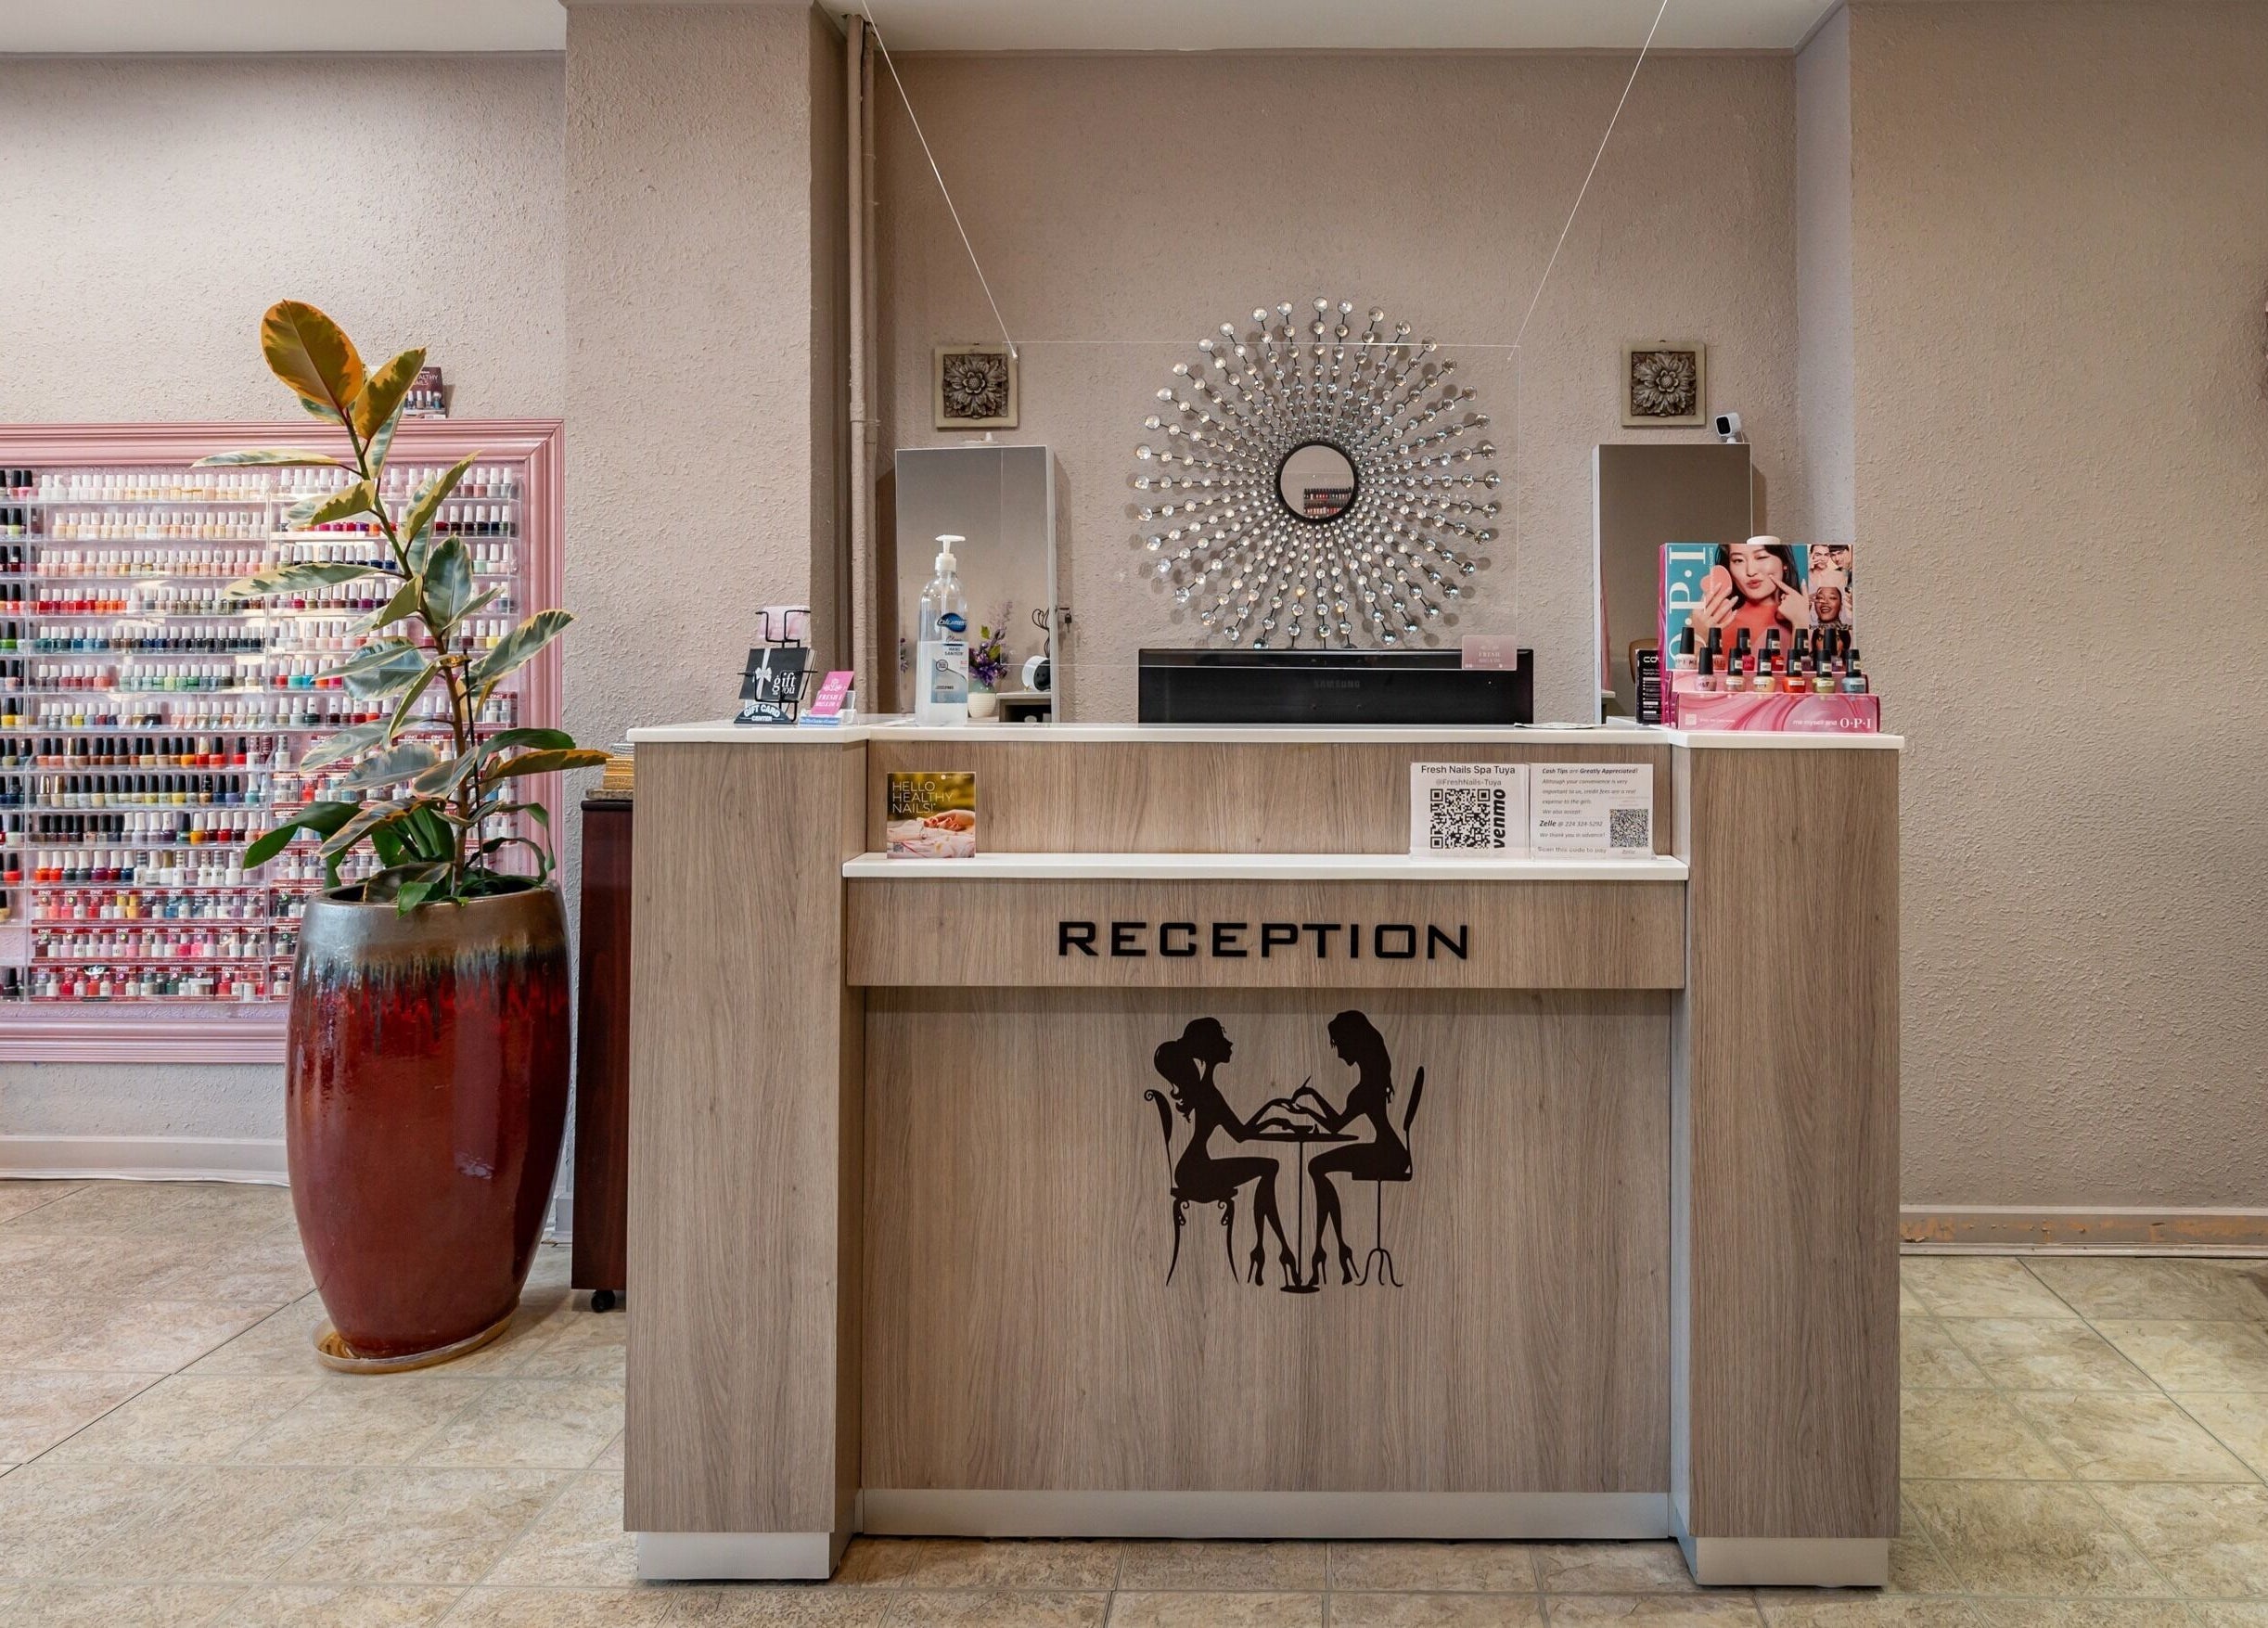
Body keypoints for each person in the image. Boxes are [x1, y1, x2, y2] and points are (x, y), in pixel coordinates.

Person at [1151, 1018, 1298, 1286]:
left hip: (1193, 1168)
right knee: (1269, 1167)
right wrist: (1273, 1114)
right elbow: (1242, 1135)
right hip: (1197, 1172)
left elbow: (1240, 1133)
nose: (1228, 1044)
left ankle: (1271, 1250)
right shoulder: (1208, 1092)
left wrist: (1273, 1113)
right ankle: (1275, 1249)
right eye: (1221, 1039)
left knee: (1269, 1167)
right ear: (1209, 1048)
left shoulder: (1205, 1090)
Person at [1292, 1011, 1413, 1287]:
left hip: (1388, 1155)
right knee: (1318, 1167)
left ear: (1352, 1041)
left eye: (1338, 1044)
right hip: (1391, 1151)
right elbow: (1338, 1124)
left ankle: (1328, 1249)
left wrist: (1309, 1103)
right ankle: (1333, 1250)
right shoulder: (1373, 1078)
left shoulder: (1366, 1086)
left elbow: (1335, 1126)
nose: (1337, 1052)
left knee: (1315, 1166)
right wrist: (1312, 1099)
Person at [1688, 537, 1809, 646]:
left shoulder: (1810, 616)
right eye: (1738, 560)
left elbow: (1811, 667)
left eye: (1761, 557)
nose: (1750, 571)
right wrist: (1698, 638)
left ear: (1785, 562)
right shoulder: (1716, 622)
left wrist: (1801, 623)